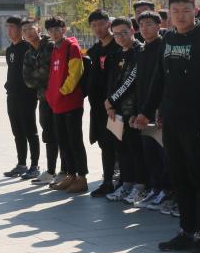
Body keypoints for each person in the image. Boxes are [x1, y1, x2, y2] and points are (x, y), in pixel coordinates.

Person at [136, 0, 200, 253]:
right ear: (169, 14)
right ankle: (186, 231)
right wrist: (146, 111)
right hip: (172, 121)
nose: (181, 16)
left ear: (195, 11)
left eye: (186, 10)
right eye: (175, 11)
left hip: (197, 123)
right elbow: (159, 79)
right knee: (180, 178)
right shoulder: (169, 39)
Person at [44, 16, 89, 194]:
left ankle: (82, 178)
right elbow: (53, 75)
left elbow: (76, 73)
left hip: (70, 102)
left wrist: (63, 91)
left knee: (75, 141)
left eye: (57, 29)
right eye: (50, 30)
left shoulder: (71, 47)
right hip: (57, 103)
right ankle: (70, 175)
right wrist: (51, 95)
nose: (54, 33)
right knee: (63, 142)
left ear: (64, 29)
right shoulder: (54, 49)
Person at [105, 18, 148, 204]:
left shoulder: (139, 51)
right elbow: (111, 81)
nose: (120, 37)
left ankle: (140, 187)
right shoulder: (116, 53)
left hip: (132, 110)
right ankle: (126, 183)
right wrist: (110, 105)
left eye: (124, 32)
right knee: (121, 150)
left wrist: (111, 100)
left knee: (135, 149)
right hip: (115, 111)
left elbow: (131, 80)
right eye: (116, 34)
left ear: (132, 30)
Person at [134, 10, 170, 210]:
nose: (145, 28)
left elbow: (163, 83)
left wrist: (159, 108)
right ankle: (155, 188)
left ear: (159, 26)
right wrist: (139, 111)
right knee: (149, 153)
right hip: (144, 110)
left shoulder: (163, 48)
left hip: (158, 111)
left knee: (163, 152)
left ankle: (166, 191)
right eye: (141, 25)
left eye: (149, 24)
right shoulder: (141, 51)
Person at [21, 19, 63, 185]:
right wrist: (43, 74)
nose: (28, 32)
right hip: (44, 99)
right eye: (24, 30)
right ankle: (51, 171)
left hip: (59, 97)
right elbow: (28, 81)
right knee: (48, 134)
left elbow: (51, 72)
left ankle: (66, 171)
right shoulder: (28, 54)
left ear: (38, 29)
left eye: (30, 28)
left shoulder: (51, 46)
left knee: (62, 134)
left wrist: (40, 74)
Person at [85, 10, 120, 198]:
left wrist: (112, 101)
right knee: (105, 144)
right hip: (98, 107)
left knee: (119, 145)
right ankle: (107, 182)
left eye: (101, 24)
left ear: (108, 23)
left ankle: (123, 183)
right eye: (94, 25)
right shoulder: (95, 50)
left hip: (115, 107)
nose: (98, 28)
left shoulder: (118, 47)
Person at [3, 16, 40, 180]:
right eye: (7, 27)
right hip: (12, 95)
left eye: (12, 27)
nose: (9, 30)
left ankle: (34, 166)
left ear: (20, 29)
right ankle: (21, 164)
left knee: (30, 130)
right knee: (17, 131)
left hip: (27, 95)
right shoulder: (10, 50)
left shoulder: (27, 48)